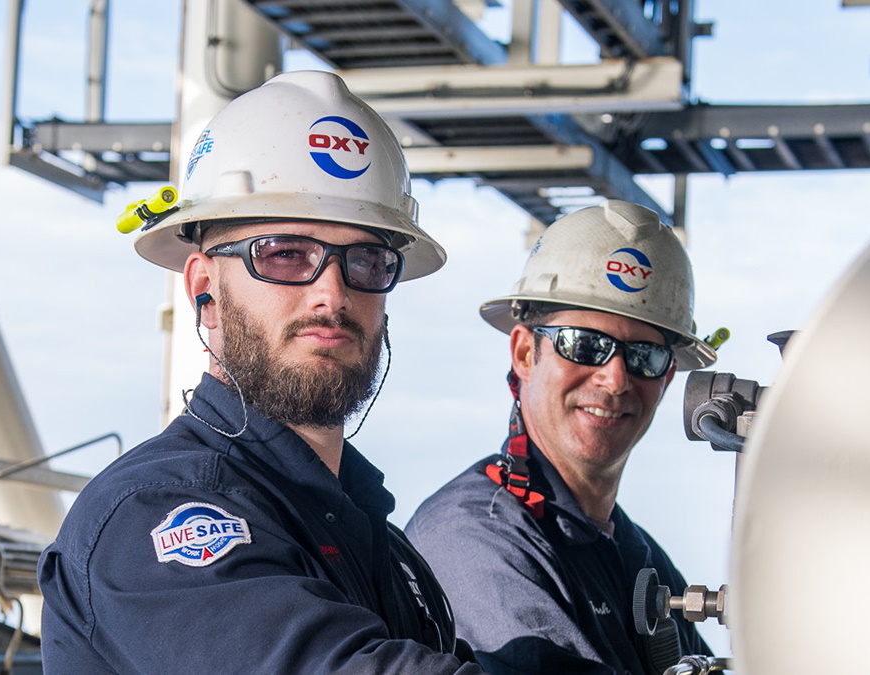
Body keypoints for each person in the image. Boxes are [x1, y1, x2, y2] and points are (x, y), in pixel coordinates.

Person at [38, 70, 478, 674]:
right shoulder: (155, 515)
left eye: (366, 260)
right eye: (284, 254)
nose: (332, 294)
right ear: (204, 290)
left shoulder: (361, 527)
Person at [406, 202, 719, 675]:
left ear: (668, 378)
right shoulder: (474, 541)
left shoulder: (633, 553)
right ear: (525, 353)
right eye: (585, 344)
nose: (615, 379)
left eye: (645, 356)